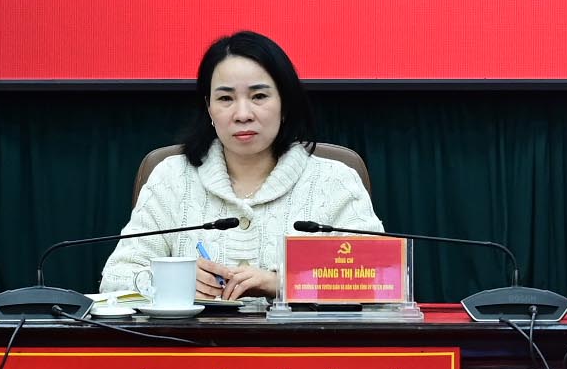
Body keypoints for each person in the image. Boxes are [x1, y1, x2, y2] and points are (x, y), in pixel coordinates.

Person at [101, 32, 378, 300]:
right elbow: (116, 278)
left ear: (285, 104)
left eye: (259, 96)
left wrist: (282, 283)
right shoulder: (172, 178)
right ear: (209, 108)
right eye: (225, 99)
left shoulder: (335, 181)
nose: (243, 114)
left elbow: (382, 278)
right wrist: (174, 280)